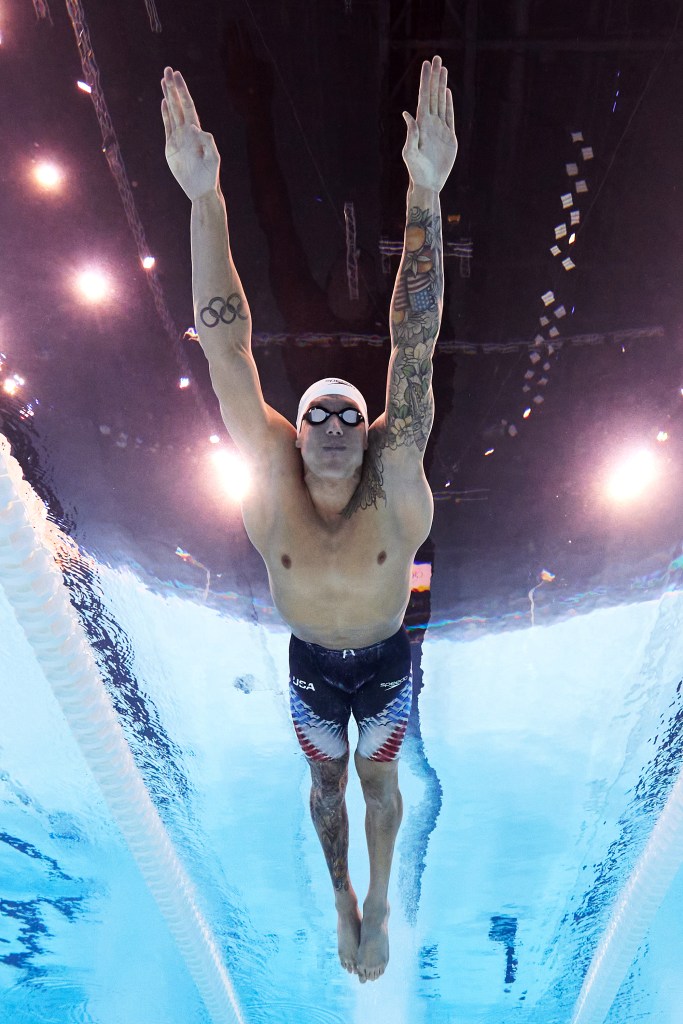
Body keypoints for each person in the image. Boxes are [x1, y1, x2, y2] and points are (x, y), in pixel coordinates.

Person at [161, 55, 457, 983]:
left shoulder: (394, 470)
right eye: (315, 412)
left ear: (370, 432)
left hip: (383, 659)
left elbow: (416, 337)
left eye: (347, 414)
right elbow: (224, 342)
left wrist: (426, 190)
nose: (331, 424)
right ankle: (342, 898)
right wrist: (202, 198)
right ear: (295, 433)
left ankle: (378, 898)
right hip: (307, 668)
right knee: (325, 784)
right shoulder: (270, 475)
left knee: (380, 784)